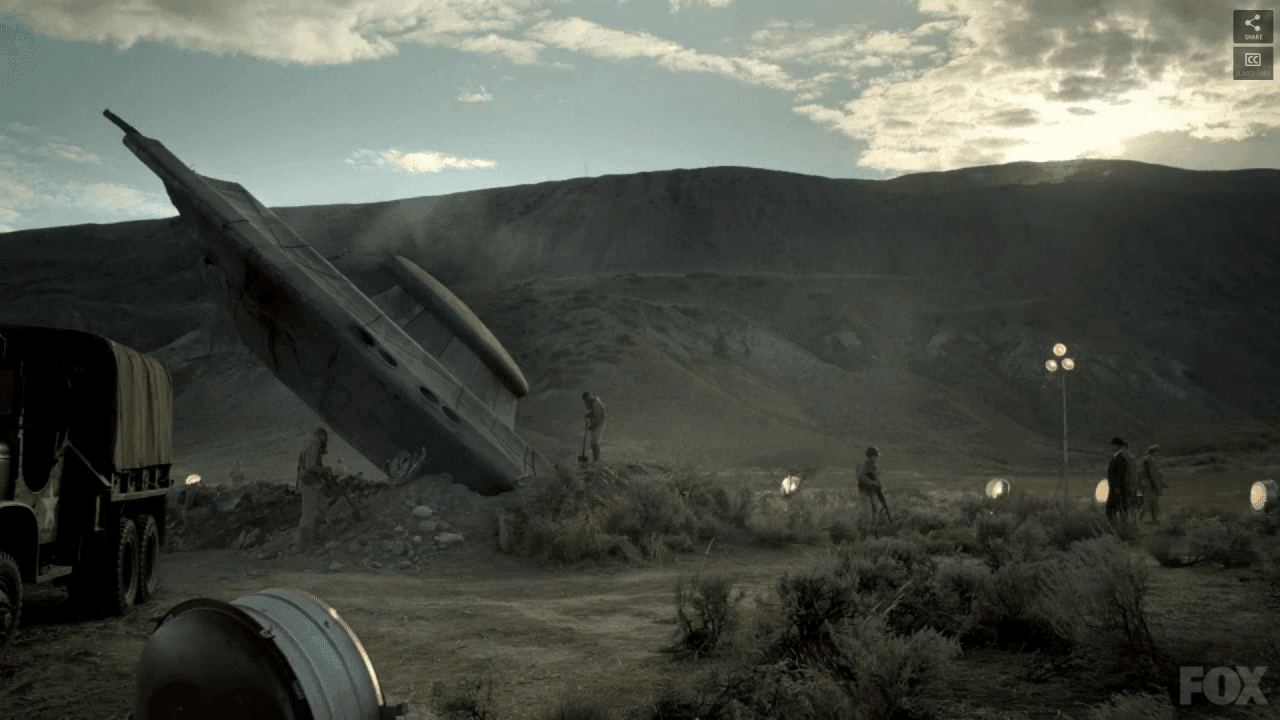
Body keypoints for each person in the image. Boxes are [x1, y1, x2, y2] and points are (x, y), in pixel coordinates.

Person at [296, 428, 336, 548]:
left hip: (310, 482)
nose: (324, 442)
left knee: (322, 506)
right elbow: (311, 466)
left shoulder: (307, 445)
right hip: (309, 483)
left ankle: (322, 534)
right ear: (321, 436)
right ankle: (305, 543)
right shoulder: (313, 446)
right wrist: (325, 470)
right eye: (325, 439)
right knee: (308, 512)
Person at [856, 446, 890, 525]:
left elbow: (876, 480)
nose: (876, 458)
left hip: (873, 494)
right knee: (867, 517)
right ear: (870, 456)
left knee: (875, 518)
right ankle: (864, 532)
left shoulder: (873, 468)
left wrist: (878, 484)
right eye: (875, 456)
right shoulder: (862, 465)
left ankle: (872, 532)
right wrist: (872, 483)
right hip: (865, 494)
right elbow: (860, 476)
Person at [1136, 443, 1169, 523]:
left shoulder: (1144, 459)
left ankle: (1154, 519)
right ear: (1154, 452)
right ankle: (1138, 519)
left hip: (1145, 484)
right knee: (1148, 502)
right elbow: (1153, 475)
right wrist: (1158, 487)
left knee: (1153, 503)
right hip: (1150, 485)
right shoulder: (1150, 460)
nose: (1158, 453)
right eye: (1157, 451)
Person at [1106, 437, 1132, 522]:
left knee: (1113, 508)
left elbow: (1121, 475)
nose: (1112, 447)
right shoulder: (1116, 457)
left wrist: (1117, 487)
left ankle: (1116, 525)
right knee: (1114, 508)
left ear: (1117, 446)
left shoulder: (1120, 459)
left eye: (1113, 445)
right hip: (1114, 487)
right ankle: (1116, 524)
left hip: (1118, 488)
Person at [582, 391, 607, 462]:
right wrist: (589, 415)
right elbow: (594, 412)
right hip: (597, 424)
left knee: (594, 443)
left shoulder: (596, 404)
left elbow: (597, 417)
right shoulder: (594, 403)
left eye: (586, 400)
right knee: (593, 443)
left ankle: (596, 460)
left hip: (599, 424)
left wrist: (592, 426)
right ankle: (596, 460)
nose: (585, 402)